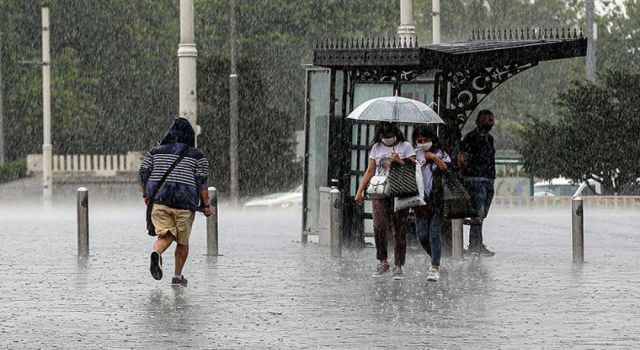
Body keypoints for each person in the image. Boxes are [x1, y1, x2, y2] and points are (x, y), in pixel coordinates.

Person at [139, 117, 213, 286]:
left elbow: (143, 173)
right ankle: (177, 277)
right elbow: (201, 182)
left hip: (160, 201)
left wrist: (145, 195)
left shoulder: (155, 152)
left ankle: (157, 252)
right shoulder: (197, 156)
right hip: (184, 204)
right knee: (182, 241)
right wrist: (206, 206)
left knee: (166, 234)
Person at [354, 122, 416, 280]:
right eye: (384, 136)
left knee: (399, 228)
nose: (387, 139)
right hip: (380, 191)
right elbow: (370, 170)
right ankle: (383, 260)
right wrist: (360, 190)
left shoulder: (405, 146)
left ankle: (398, 264)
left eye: (389, 135)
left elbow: (414, 168)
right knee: (379, 225)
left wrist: (399, 161)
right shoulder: (376, 148)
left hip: (400, 190)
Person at [413, 126, 450, 282]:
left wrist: (434, 158)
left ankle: (435, 266)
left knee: (434, 232)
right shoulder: (414, 154)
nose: (422, 143)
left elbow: (447, 168)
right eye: (419, 141)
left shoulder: (441, 153)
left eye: (425, 140)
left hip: (438, 200)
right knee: (422, 235)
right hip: (420, 201)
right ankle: (435, 256)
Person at [458, 110, 496, 256]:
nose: (490, 122)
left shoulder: (490, 138)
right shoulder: (471, 138)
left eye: (491, 119)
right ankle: (475, 244)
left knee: (482, 213)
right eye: (487, 119)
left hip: (488, 179)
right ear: (479, 121)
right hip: (475, 179)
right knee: (477, 213)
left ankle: (476, 242)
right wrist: (465, 174)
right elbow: (463, 158)